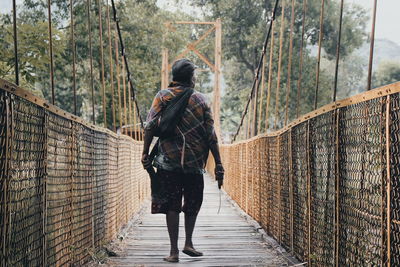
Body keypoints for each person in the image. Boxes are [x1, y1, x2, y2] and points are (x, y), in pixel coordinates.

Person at [141, 58, 224, 263]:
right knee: (193, 202)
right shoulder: (202, 100)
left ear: (174, 77)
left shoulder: (163, 96)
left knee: (172, 204)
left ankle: (174, 252)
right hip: (195, 162)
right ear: (191, 77)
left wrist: (145, 152)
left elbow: (150, 125)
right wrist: (219, 163)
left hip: (169, 161)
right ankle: (189, 243)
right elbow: (210, 135)